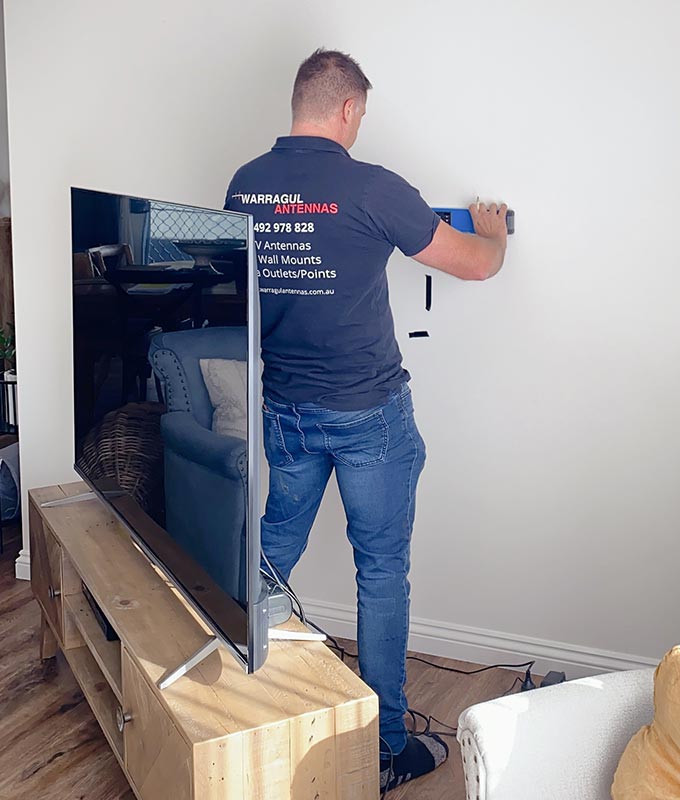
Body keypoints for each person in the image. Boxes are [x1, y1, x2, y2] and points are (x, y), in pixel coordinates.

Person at [225, 48, 507, 793]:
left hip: (284, 409)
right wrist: (496, 228)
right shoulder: (371, 187)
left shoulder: (245, 187)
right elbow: (476, 262)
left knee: (267, 559)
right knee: (381, 575)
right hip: (368, 416)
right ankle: (386, 751)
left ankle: (239, 710)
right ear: (348, 108)